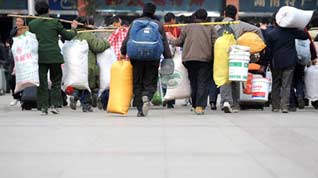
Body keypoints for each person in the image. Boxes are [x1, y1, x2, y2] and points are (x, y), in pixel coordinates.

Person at [121, 2, 172, 117]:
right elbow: (164, 42)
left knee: (137, 81)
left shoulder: (135, 23)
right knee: (150, 79)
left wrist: (123, 52)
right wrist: (168, 57)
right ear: (153, 11)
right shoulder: (158, 24)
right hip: (153, 57)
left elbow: (127, 39)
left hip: (136, 57)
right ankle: (147, 96)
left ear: (143, 10)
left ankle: (140, 109)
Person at [29, 1, 78, 115]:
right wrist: (74, 28)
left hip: (40, 56)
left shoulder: (32, 24)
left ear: (36, 11)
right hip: (54, 56)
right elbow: (68, 36)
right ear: (48, 10)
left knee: (42, 82)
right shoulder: (55, 22)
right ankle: (55, 105)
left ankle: (43, 107)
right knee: (56, 81)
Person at [168, 8, 218, 115]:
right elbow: (216, 44)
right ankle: (199, 106)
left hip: (189, 59)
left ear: (195, 17)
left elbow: (179, 42)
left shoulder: (187, 27)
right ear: (205, 18)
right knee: (202, 82)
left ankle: (195, 105)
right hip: (205, 59)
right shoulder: (210, 28)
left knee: (193, 82)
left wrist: (171, 39)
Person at [217, 5, 264, 113]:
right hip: (237, 54)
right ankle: (235, 104)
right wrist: (259, 45)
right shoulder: (240, 25)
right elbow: (257, 30)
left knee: (224, 78)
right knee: (235, 78)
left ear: (224, 14)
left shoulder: (217, 26)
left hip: (222, 55)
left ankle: (225, 101)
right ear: (236, 14)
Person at [263, 12, 308, 113]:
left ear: (275, 21)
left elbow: (268, 52)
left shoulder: (271, 34)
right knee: (286, 84)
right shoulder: (291, 32)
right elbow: (305, 36)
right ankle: (284, 107)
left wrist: (265, 64)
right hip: (289, 62)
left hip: (276, 62)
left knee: (275, 84)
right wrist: (296, 26)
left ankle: (275, 106)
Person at [69, 16, 110, 112]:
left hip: (75, 64)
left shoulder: (74, 33)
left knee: (79, 83)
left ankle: (75, 96)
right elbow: (97, 47)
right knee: (87, 85)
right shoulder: (88, 35)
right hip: (87, 63)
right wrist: (106, 43)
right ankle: (86, 106)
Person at [5, 17, 28, 106]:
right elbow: (10, 40)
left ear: (23, 22)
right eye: (17, 21)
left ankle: (24, 96)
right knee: (11, 78)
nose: (17, 22)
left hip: (24, 56)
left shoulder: (26, 31)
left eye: (19, 21)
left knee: (23, 77)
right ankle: (16, 96)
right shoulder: (13, 30)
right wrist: (8, 42)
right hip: (14, 57)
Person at [163, 12, 180, 109]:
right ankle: (171, 100)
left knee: (165, 76)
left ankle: (166, 96)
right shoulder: (176, 28)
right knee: (173, 77)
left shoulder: (161, 28)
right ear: (173, 20)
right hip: (174, 56)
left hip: (163, 55)